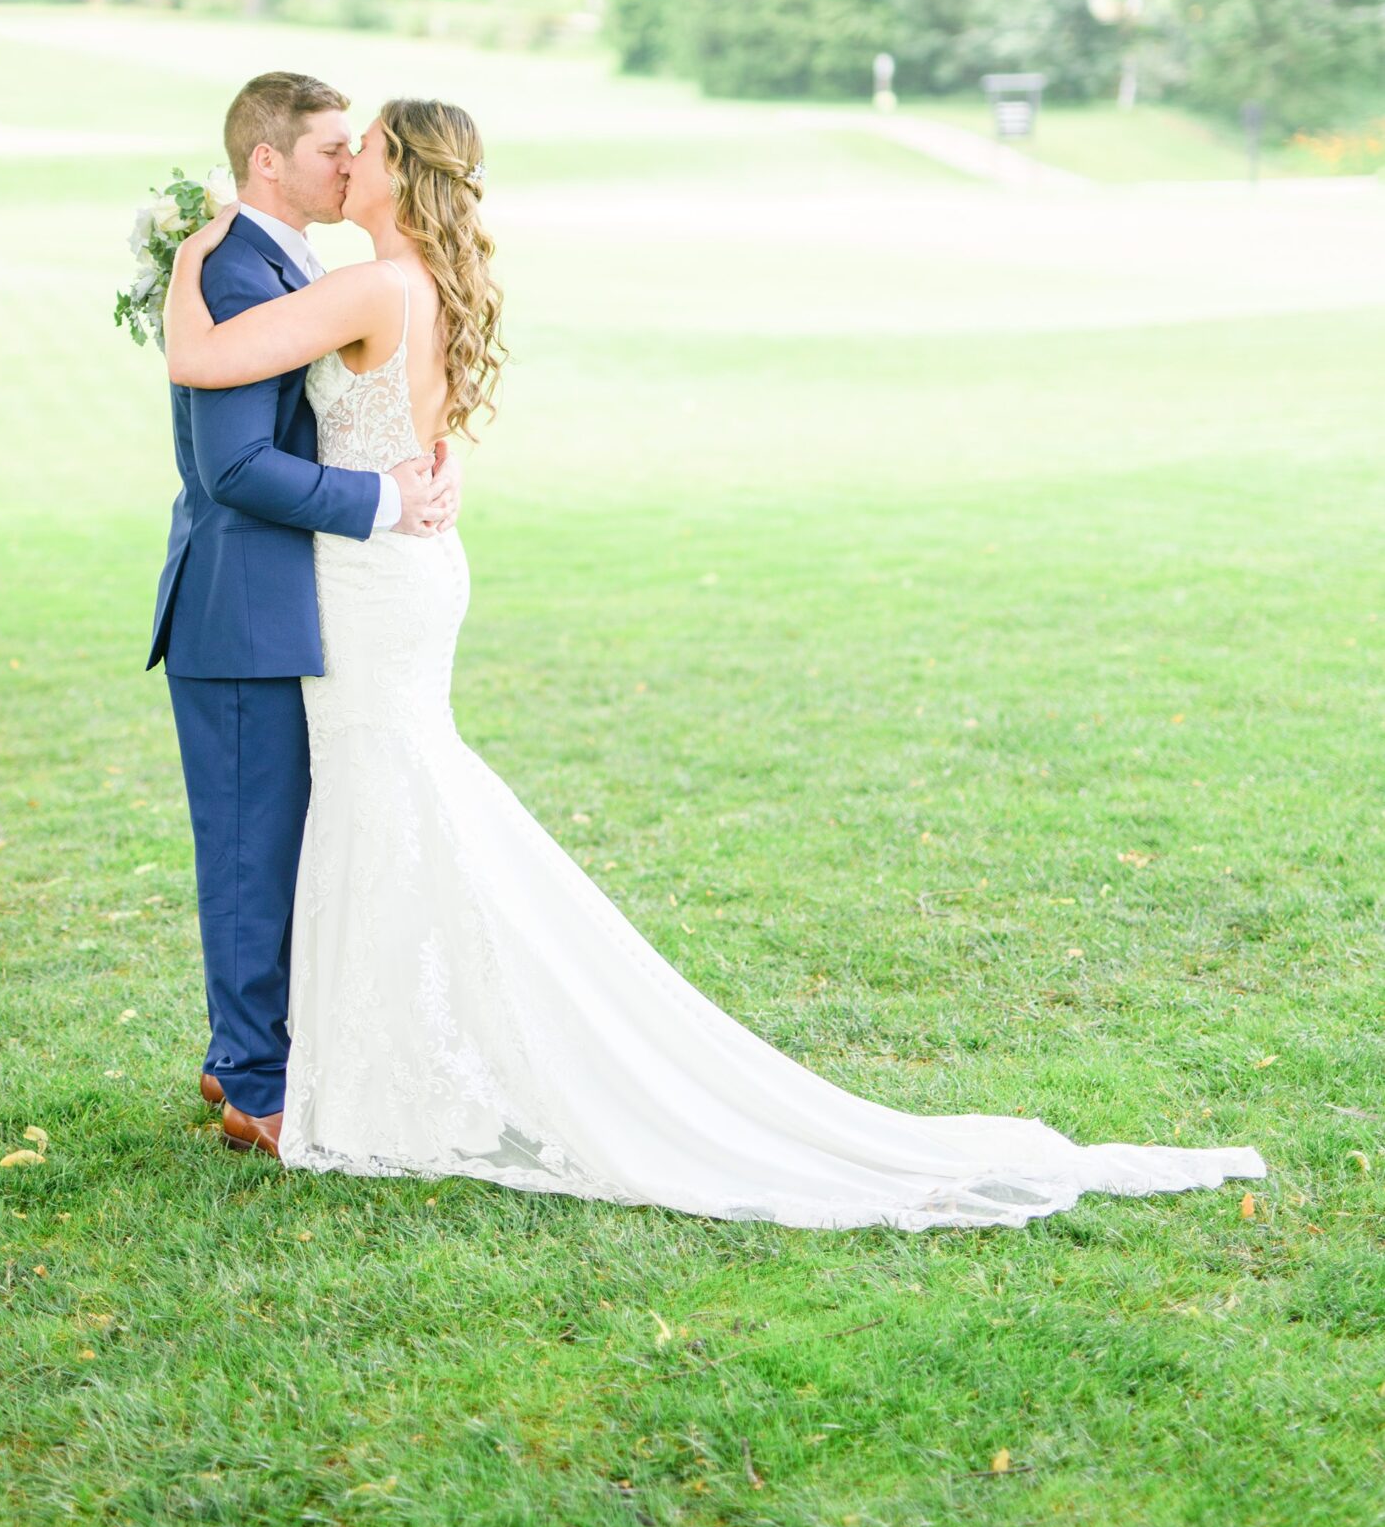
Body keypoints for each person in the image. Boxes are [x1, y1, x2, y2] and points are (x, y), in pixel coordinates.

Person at [163, 94, 1266, 1231]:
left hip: (375, 582)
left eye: (367, 147)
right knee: (392, 802)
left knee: (388, 798)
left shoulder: (370, 285)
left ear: (399, 175)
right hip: (399, 574)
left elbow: (203, 355)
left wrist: (187, 251)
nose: (348, 161)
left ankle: (380, 1067)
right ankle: (364, 1057)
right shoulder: (424, 285)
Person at [149, 71, 458, 1154]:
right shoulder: (234, 266)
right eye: (331, 145)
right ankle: (252, 1082)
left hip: (316, 601)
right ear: (268, 159)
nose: (346, 161)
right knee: (248, 849)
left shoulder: (310, 268)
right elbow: (231, 464)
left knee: (282, 843)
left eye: (357, 146)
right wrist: (384, 498)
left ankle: (243, 1050)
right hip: (242, 603)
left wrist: (419, 465)